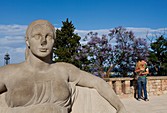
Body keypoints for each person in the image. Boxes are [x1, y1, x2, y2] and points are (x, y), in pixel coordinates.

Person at [0, 20, 128, 113]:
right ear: (27, 41)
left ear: (54, 41)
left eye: (48, 36)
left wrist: (120, 107)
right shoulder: (9, 72)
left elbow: (98, 83)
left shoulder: (64, 70)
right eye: (37, 36)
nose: (43, 41)